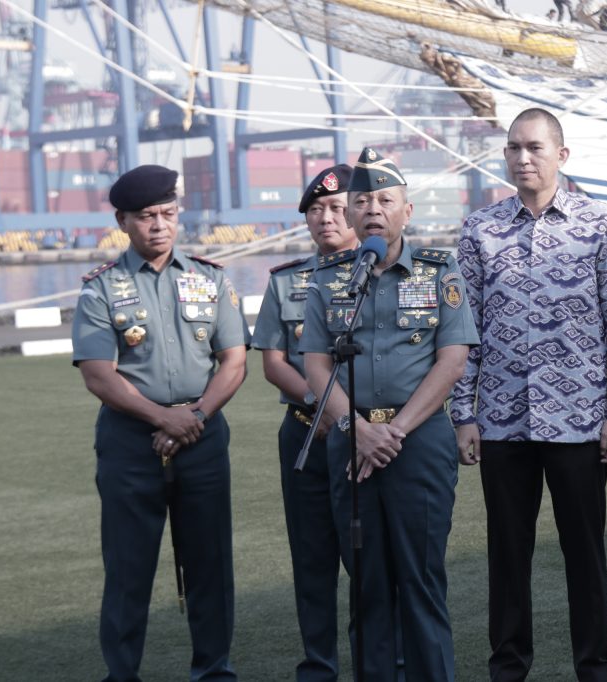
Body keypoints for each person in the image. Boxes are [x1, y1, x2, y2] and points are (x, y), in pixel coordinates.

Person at [451, 107, 607, 682]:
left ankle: (595, 669)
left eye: (534, 147)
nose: (522, 157)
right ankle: (508, 670)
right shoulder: (480, 230)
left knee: (585, 555)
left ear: (562, 154)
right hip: (502, 423)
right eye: (513, 147)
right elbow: (463, 331)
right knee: (508, 558)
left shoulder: (601, 226)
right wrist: (463, 414)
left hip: (579, 423)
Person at [299, 147, 479, 681]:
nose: (373, 210)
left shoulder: (440, 271)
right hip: (350, 444)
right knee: (367, 585)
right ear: (351, 213)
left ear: (407, 211)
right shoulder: (330, 279)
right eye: (362, 202)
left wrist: (391, 432)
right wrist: (356, 429)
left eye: (385, 201)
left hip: (417, 442)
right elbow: (316, 364)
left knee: (421, 581)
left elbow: (452, 360)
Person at [71, 164, 249, 681]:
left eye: (168, 214)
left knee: (210, 566)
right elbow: (99, 374)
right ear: (123, 221)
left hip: (202, 437)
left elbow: (234, 361)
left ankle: (213, 671)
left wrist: (194, 416)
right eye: (146, 216)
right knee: (128, 569)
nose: (159, 225)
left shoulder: (210, 279)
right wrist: (164, 419)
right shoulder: (102, 288)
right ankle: (122, 674)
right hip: (131, 442)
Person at [251, 164, 359, 680]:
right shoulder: (286, 281)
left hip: (362, 435)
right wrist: (321, 405)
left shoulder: (383, 275)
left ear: (357, 210)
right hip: (305, 433)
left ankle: (377, 663)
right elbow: (273, 362)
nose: (325, 218)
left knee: (368, 559)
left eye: (336, 207)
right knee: (312, 558)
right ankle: (319, 667)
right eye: (315, 210)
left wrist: (339, 412)